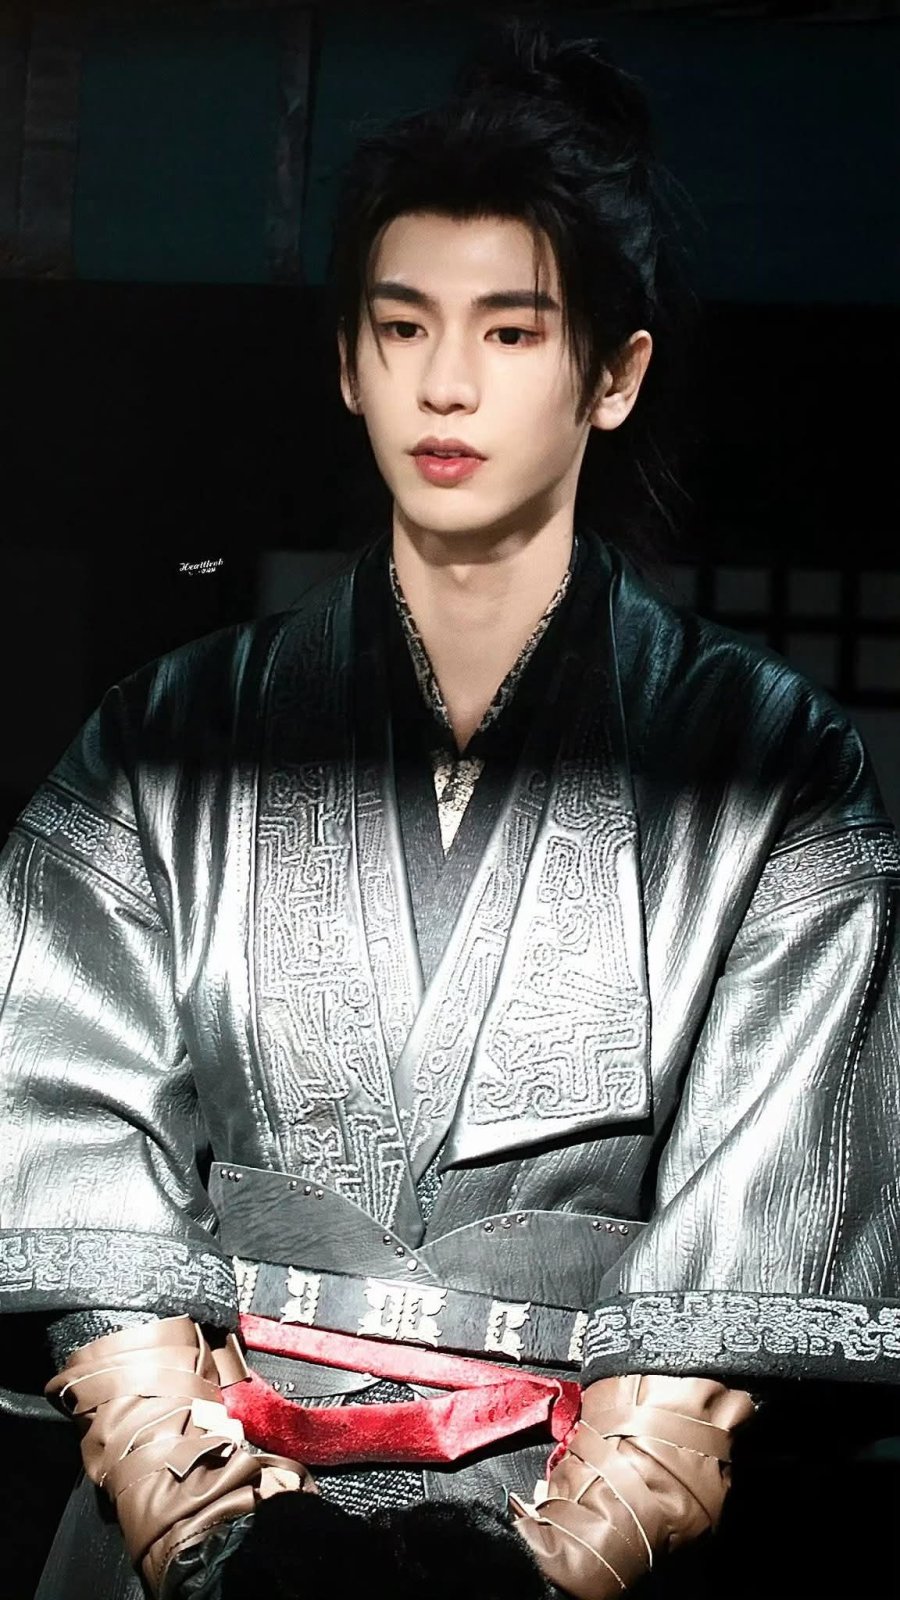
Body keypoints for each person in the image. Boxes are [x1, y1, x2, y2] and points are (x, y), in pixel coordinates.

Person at [1, 18, 898, 1600]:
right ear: (349, 362)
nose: (448, 381)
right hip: (191, 1516)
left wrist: (559, 1560)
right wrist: (200, 1517)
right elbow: (59, 1132)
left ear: (613, 375)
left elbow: (760, 1232)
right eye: (403, 325)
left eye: (512, 329)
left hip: (592, 1537)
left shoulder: (773, 771)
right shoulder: (161, 745)